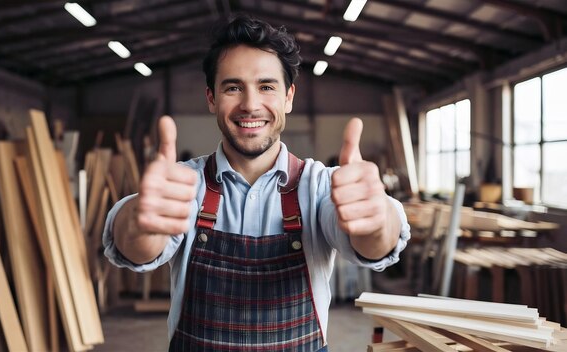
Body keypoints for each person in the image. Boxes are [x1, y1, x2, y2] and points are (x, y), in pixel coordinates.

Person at [103, 14, 411, 351]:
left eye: (266, 86)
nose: (250, 105)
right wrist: (138, 222)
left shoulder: (321, 186)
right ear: (211, 98)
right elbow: (135, 244)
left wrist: (377, 220)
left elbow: (376, 243)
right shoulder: (182, 185)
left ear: (288, 97)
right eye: (233, 87)